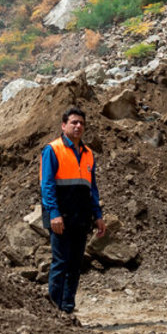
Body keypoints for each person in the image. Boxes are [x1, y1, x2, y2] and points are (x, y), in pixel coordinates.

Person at [40, 107, 106, 314]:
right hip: (61, 217)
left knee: (75, 264)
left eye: (82, 123)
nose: (78, 126)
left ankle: (67, 307)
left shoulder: (88, 154)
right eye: (74, 122)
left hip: (81, 217)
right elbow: (47, 185)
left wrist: (98, 216)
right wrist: (53, 213)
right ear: (63, 125)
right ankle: (53, 309)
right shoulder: (53, 149)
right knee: (60, 262)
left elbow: (91, 188)